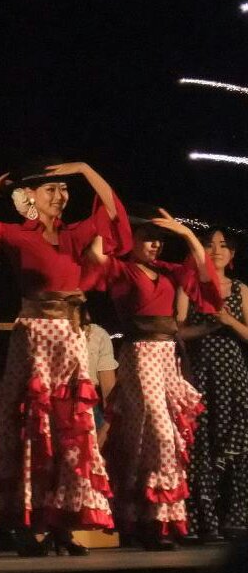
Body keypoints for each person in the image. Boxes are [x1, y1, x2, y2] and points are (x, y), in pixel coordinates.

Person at [0, 160, 130, 556]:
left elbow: (112, 210)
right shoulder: (15, 234)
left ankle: (62, 524)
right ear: (31, 199)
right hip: (35, 336)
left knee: (71, 430)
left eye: (64, 189)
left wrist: (85, 169)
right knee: (31, 428)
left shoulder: (74, 236)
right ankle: (26, 526)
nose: (60, 196)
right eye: (50, 190)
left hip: (71, 338)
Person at [89, 212, 221, 550]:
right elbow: (95, 255)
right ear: (131, 240)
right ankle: (145, 519)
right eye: (147, 237)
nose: (155, 244)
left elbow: (205, 276)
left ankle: (152, 522)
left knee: (151, 439)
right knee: (158, 434)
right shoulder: (122, 269)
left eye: (158, 238)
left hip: (167, 356)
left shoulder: (168, 271)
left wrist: (186, 235)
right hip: (140, 354)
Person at [177, 227, 248, 542]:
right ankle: (200, 521)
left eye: (224, 245)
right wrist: (207, 326)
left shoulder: (240, 290)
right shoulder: (188, 286)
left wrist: (229, 321)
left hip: (233, 376)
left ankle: (234, 519)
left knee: (235, 447)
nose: (217, 250)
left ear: (232, 255)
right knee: (200, 446)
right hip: (199, 373)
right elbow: (176, 331)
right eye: (210, 244)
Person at [80, 306, 118, 449]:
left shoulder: (97, 334)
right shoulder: (47, 330)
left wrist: (105, 430)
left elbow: (109, 391)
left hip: (90, 408)